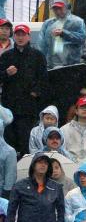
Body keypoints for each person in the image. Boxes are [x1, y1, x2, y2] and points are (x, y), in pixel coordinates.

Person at [0, 24, 48, 155]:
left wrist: (35, 93)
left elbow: (44, 79)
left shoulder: (38, 56)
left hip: (28, 106)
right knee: (9, 140)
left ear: (29, 36)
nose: (20, 37)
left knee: (25, 139)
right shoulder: (6, 56)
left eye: (23, 34)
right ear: (13, 36)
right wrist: (6, 73)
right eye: (17, 34)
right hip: (9, 106)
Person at [8, 154, 65, 222]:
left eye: (46, 163)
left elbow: (61, 211)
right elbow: (11, 212)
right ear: (33, 165)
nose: (43, 165)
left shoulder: (56, 187)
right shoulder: (19, 186)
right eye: (40, 162)